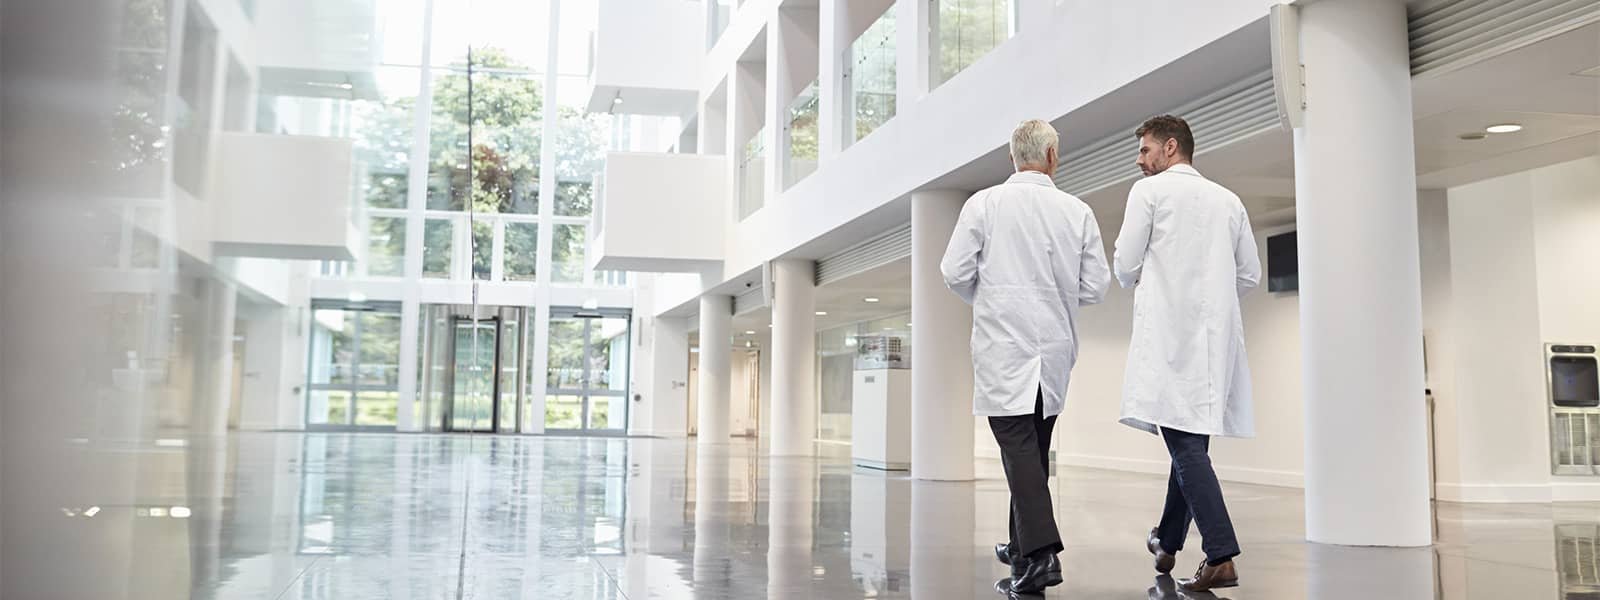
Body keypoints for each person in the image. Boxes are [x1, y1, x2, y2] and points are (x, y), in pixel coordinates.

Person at [941, 119, 1111, 595]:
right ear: (1053, 156)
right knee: (1032, 453)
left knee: (1020, 454)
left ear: (1011, 158)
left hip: (1003, 349)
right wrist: (1055, 294)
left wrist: (991, 297)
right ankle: (1021, 549)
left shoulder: (985, 204)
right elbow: (1095, 286)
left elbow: (953, 272)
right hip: (1053, 353)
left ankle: (1041, 555)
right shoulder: (1076, 211)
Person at [1113, 115, 1260, 593]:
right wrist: (1212, 299)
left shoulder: (1149, 194)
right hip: (1213, 345)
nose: (1139, 161)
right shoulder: (1229, 200)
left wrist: (1153, 282)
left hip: (1169, 340)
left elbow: (1124, 265)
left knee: (1184, 448)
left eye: (1144, 150)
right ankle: (1167, 539)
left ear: (1170, 147)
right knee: (1190, 447)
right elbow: (1250, 276)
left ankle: (1221, 554)